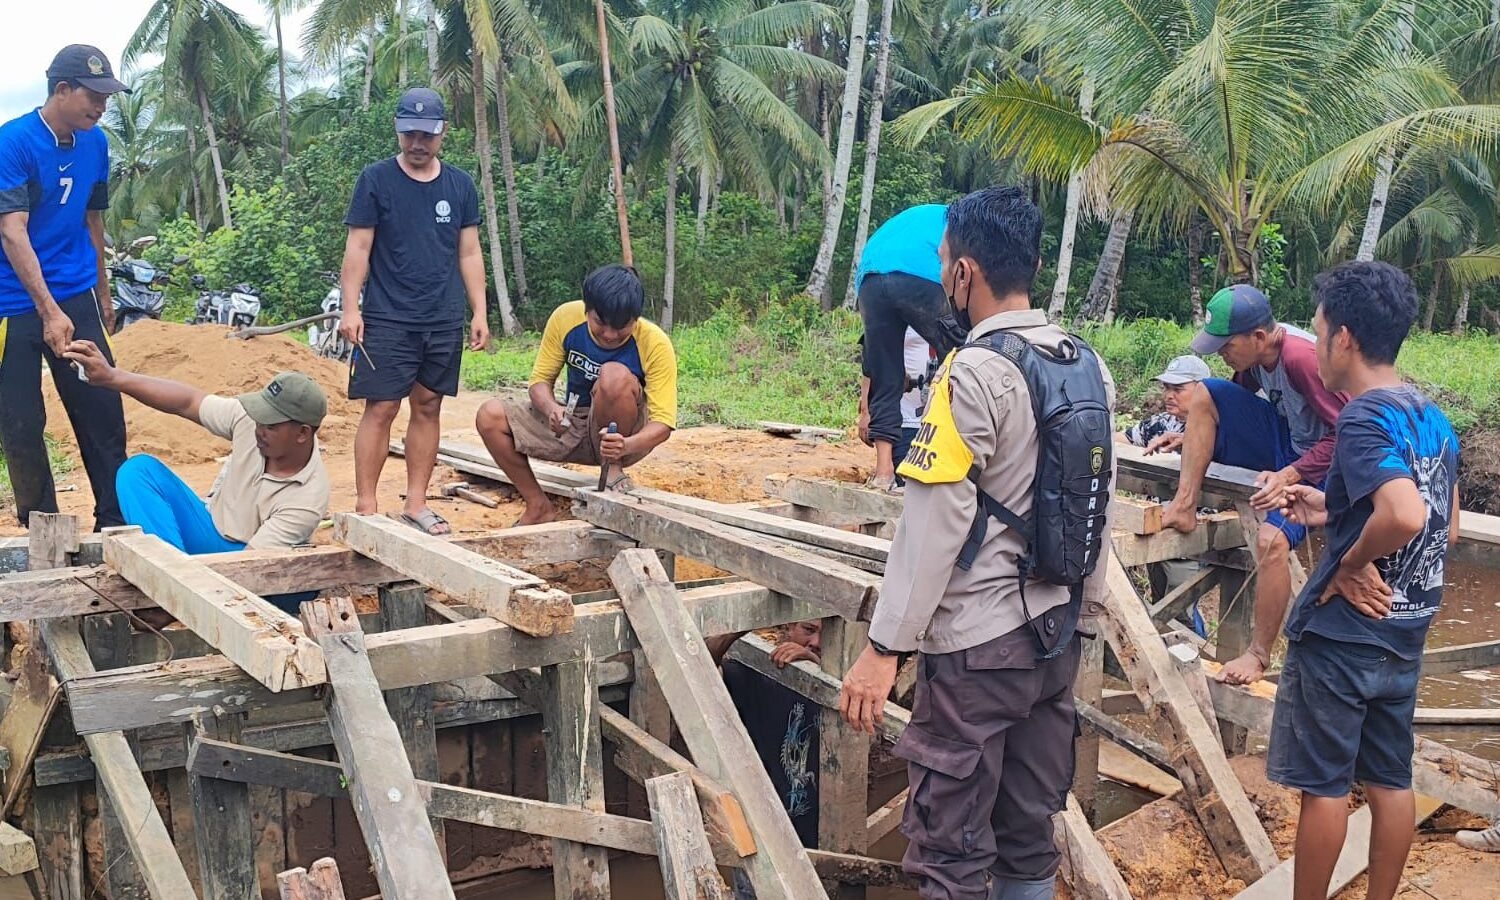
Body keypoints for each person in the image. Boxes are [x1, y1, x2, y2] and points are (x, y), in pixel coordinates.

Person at [839, 187, 1116, 900]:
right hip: (1055, 640)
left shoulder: (972, 375)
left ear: (963, 274)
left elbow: (931, 529)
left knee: (949, 849)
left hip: (976, 649)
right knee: (1029, 834)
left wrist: (882, 649)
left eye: (942, 264)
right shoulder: (1086, 363)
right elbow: (1099, 503)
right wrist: (1086, 612)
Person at [1267, 260, 1460, 900]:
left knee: (1322, 787)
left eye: (1318, 331)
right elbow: (1443, 528)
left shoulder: (1361, 416)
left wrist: (1347, 563)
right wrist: (1333, 512)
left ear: (1343, 338)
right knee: (1389, 779)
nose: (1315, 345)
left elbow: (1403, 513)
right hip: (1405, 632)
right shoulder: (1431, 415)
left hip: (1345, 637)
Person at [1162, 285, 1348, 685]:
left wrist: (1290, 475)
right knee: (1206, 393)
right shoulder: (1254, 361)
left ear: (1258, 337)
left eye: (1226, 346)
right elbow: (1227, 404)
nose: (1222, 354)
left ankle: (1258, 655)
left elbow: (1348, 434)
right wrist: (1193, 434)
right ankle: (1184, 505)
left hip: (1324, 463)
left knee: (1270, 542)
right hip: (1286, 442)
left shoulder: (1300, 359)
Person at [63, 341, 329, 613]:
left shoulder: (307, 498)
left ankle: (171, 593)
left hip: (248, 562)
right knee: (138, 471)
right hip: (209, 528)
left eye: (270, 426)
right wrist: (113, 377)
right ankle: (170, 585)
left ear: (302, 434)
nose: (260, 430)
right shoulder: (251, 421)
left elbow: (249, 570)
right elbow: (187, 401)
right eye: (260, 420)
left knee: (290, 588)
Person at [339, 86, 490, 536]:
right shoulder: (376, 180)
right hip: (387, 317)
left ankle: (417, 503)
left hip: (442, 319)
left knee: (428, 406)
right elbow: (358, 247)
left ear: (442, 133)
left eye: (427, 135)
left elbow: (469, 252)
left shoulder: (459, 185)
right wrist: (352, 308)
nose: (418, 144)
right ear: (398, 131)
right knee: (381, 407)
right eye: (410, 135)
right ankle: (367, 506)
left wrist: (479, 311)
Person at [0, 45, 132, 532]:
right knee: (21, 422)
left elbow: (93, 219)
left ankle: (115, 522)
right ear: (62, 90)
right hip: (11, 305)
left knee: (100, 405)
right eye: (93, 96)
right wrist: (48, 311)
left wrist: (102, 290)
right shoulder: (12, 143)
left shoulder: (95, 143)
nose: (102, 107)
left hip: (75, 294)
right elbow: (12, 231)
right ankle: (43, 528)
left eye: (107, 97)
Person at [475, 265, 677, 526]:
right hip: (571, 424)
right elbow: (539, 383)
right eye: (601, 324)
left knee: (614, 375)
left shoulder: (654, 343)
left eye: (621, 327)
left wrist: (624, 446)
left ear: (636, 319)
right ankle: (538, 506)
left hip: (623, 437)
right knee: (490, 415)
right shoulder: (566, 318)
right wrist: (550, 409)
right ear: (586, 310)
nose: (610, 335)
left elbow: (663, 424)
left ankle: (612, 468)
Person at [707, 620, 823, 900]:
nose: (816, 641)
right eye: (808, 630)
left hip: (820, 839)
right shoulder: (760, 674)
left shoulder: (847, 678)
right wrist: (745, 622)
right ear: (788, 629)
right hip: (762, 834)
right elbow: (700, 668)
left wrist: (816, 664)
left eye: (825, 633)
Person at [855, 204, 967, 490]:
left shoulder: (905, 224)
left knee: (886, 377)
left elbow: (873, 354)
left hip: (870, 279)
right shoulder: (963, 221)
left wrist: (879, 383)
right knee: (961, 359)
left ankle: (883, 474)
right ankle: (955, 461)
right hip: (921, 276)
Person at [858, 327, 933, 488]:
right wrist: (865, 410)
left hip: (938, 423)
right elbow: (872, 364)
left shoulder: (946, 309)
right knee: (906, 485)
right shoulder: (887, 310)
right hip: (903, 421)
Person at [1123, 355, 1211, 447]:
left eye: (1178, 389)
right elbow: (1124, 439)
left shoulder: (1217, 428)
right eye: (1166, 388)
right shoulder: (1160, 422)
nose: (1168, 396)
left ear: (1202, 390)